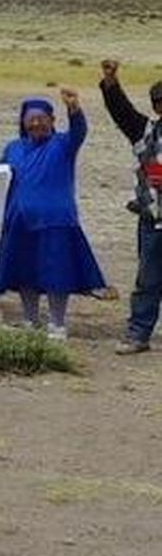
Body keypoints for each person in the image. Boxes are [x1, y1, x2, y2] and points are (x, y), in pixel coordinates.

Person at [0, 90, 106, 340]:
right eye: (31, 119)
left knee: (57, 274)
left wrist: (74, 109)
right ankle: (30, 319)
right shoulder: (13, 148)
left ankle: (57, 323)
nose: (36, 123)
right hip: (19, 220)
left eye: (42, 118)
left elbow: (79, 131)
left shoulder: (63, 144)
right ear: (23, 122)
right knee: (25, 272)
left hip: (56, 221)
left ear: (52, 120)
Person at [98, 59, 162, 354]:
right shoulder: (144, 131)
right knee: (148, 280)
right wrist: (111, 82)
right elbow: (121, 111)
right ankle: (138, 334)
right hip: (153, 218)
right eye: (160, 102)